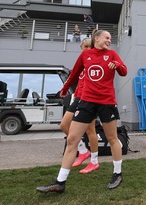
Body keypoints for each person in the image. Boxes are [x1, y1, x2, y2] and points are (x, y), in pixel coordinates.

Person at [36, 30, 128, 193]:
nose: (109, 40)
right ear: (96, 38)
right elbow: (74, 75)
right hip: (86, 102)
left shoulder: (112, 54)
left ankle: (117, 173)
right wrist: (64, 89)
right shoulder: (85, 55)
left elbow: (124, 71)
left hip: (107, 102)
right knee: (72, 138)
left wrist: (118, 65)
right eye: (106, 37)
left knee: (113, 138)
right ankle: (60, 182)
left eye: (110, 38)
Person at [59, 37, 99, 173]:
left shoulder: (93, 62)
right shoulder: (81, 62)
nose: (88, 49)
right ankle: (82, 150)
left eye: (90, 47)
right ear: (81, 47)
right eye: (85, 47)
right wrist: (65, 89)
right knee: (64, 124)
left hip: (89, 100)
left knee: (90, 130)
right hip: (77, 98)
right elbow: (73, 78)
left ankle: (94, 161)